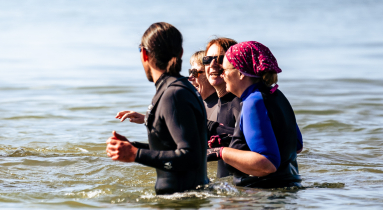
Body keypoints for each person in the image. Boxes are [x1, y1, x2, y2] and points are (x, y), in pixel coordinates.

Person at [107, 22, 207, 195]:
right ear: (181, 52)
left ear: (144, 54)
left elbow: (190, 158)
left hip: (180, 205)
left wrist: (136, 155)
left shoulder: (173, 94)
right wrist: (133, 147)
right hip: (186, 206)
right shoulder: (180, 88)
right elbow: (173, 150)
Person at [213, 41, 303, 188]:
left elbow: (268, 165)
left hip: (262, 196)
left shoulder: (252, 102)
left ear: (241, 73)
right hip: (289, 190)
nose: (222, 75)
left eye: (224, 70)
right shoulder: (277, 95)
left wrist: (220, 152)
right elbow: (296, 146)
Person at [196, 37, 242, 179]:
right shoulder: (221, 102)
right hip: (230, 192)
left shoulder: (240, 102)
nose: (213, 64)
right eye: (208, 59)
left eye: (220, 59)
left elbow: (250, 139)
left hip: (249, 194)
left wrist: (208, 126)